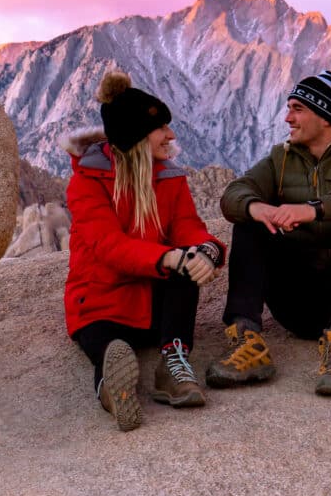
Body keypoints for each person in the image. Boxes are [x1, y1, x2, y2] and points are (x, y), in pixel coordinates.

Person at [206, 68, 331, 396]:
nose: (288, 118)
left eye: (298, 109)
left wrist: (314, 208)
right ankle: (247, 342)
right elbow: (234, 194)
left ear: (326, 116)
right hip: (301, 309)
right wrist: (256, 208)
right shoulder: (281, 159)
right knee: (250, 223)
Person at [62, 70, 225, 431]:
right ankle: (112, 387)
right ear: (136, 136)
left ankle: (174, 362)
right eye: (162, 128)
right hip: (101, 302)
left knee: (185, 263)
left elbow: (187, 226)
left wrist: (207, 250)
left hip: (153, 304)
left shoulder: (169, 177)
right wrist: (165, 257)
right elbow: (107, 245)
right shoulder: (86, 184)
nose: (172, 136)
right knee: (107, 348)